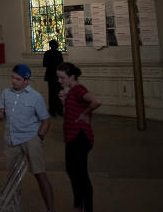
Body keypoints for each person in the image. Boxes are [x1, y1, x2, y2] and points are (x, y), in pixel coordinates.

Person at [0, 64, 54, 212]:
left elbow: (46, 120)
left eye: (17, 79)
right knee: (12, 177)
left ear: (26, 80)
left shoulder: (36, 97)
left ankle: (51, 209)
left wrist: (39, 138)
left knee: (40, 174)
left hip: (30, 138)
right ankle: (13, 206)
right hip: (11, 139)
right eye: (12, 77)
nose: (13, 81)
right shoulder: (6, 93)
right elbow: (2, 117)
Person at [58, 62, 101, 212]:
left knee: (80, 175)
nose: (60, 81)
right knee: (72, 171)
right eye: (59, 78)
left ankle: (84, 207)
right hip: (72, 137)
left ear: (72, 77)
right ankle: (79, 205)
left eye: (62, 78)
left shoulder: (78, 89)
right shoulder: (72, 91)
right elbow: (70, 112)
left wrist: (85, 113)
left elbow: (96, 101)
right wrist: (64, 101)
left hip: (79, 137)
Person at [43, 40, 65, 116]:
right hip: (58, 76)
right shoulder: (58, 53)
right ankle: (60, 111)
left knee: (51, 94)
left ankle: (52, 112)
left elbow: (45, 64)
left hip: (50, 76)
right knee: (59, 93)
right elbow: (62, 63)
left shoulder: (47, 53)